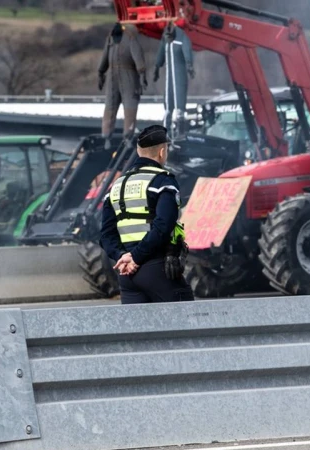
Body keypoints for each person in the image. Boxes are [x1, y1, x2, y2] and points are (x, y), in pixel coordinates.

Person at [99, 124, 194, 304]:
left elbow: (105, 234)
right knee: (187, 323)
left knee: (138, 331)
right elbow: (163, 225)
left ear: (138, 150)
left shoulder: (117, 186)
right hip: (156, 269)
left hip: (126, 275)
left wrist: (123, 257)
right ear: (162, 152)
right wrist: (136, 257)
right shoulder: (163, 181)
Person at [98, 22, 149, 148]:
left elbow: (137, 56)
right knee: (113, 106)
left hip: (126, 76)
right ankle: (109, 137)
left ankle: (125, 137)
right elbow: (106, 55)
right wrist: (100, 72)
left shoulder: (127, 37)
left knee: (127, 107)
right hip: (117, 77)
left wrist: (142, 74)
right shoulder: (113, 38)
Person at [154, 21, 194, 137]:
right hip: (169, 77)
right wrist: (157, 67)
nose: (167, 39)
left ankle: (180, 129)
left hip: (179, 74)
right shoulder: (166, 40)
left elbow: (187, 52)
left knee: (180, 101)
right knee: (168, 102)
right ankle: (166, 129)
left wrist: (189, 66)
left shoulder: (181, 38)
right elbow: (161, 52)